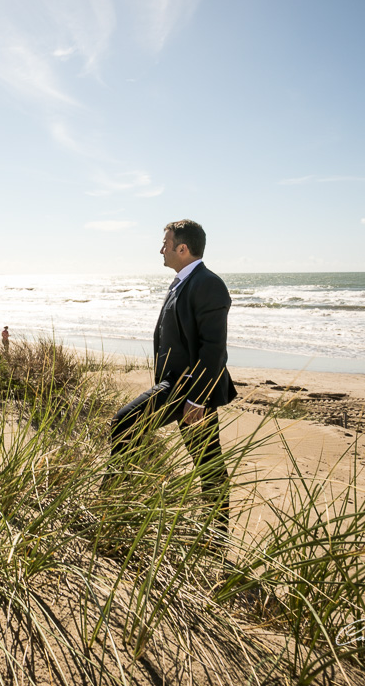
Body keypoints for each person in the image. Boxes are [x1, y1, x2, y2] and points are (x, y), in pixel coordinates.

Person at [109, 219, 236, 534]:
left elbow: (214, 349)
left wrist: (199, 398)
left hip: (189, 391)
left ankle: (111, 504)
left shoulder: (208, 283)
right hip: (176, 387)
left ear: (183, 248)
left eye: (166, 243)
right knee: (208, 464)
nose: (161, 249)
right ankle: (126, 505)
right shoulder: (182, 281)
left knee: (126, 422)